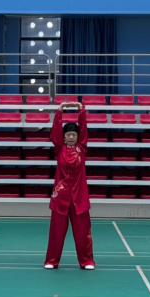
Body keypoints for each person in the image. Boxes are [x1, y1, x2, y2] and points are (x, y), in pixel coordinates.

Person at [44, 101, 95, 270]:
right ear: (64, 137)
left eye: (74, 134)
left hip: (79, 197)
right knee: (56, 231)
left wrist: (81, 111)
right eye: (68, 134)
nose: (71, 137)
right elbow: (55, 133)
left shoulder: (82, 148)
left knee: (83, 232)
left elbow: (84, 130)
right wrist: (60, 112)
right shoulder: (59, 149)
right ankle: (52, 261)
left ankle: (87, 261)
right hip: (61, 197)